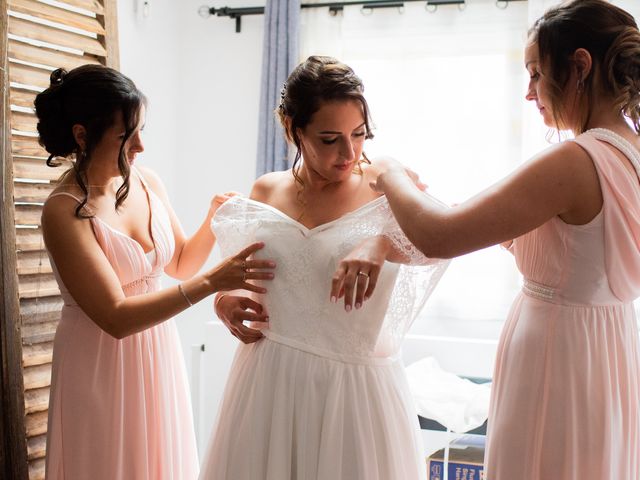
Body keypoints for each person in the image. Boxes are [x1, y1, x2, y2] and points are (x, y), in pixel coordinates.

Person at [371, 1, 640, 478]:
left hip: (559, 353)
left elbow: (438, 236)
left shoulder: (574, 160)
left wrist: (390, 174)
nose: (529, 92)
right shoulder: (631, 152)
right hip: (609, 349)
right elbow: (576, 252)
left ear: (580, 66)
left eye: (536, 74)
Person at [199, 55, 449, 480]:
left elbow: (443, 240)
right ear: (294, 129)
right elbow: (247, 276)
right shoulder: (266, 188)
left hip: (351, 392)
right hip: (268, 380)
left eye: (359, 134)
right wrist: (226, 301)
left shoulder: (386, 188)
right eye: (330, 138)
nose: (348, 152)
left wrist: (383, 244)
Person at [36, 64, 275, 480]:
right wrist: (214, 284)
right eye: (127, 136)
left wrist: (213, 218)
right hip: (99, 365)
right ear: (81, 135)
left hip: (157, 353)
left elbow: (179, 263)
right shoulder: (63, 210)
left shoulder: (147, 182)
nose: (141, 146)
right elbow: (114, 316)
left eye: (141, 130)